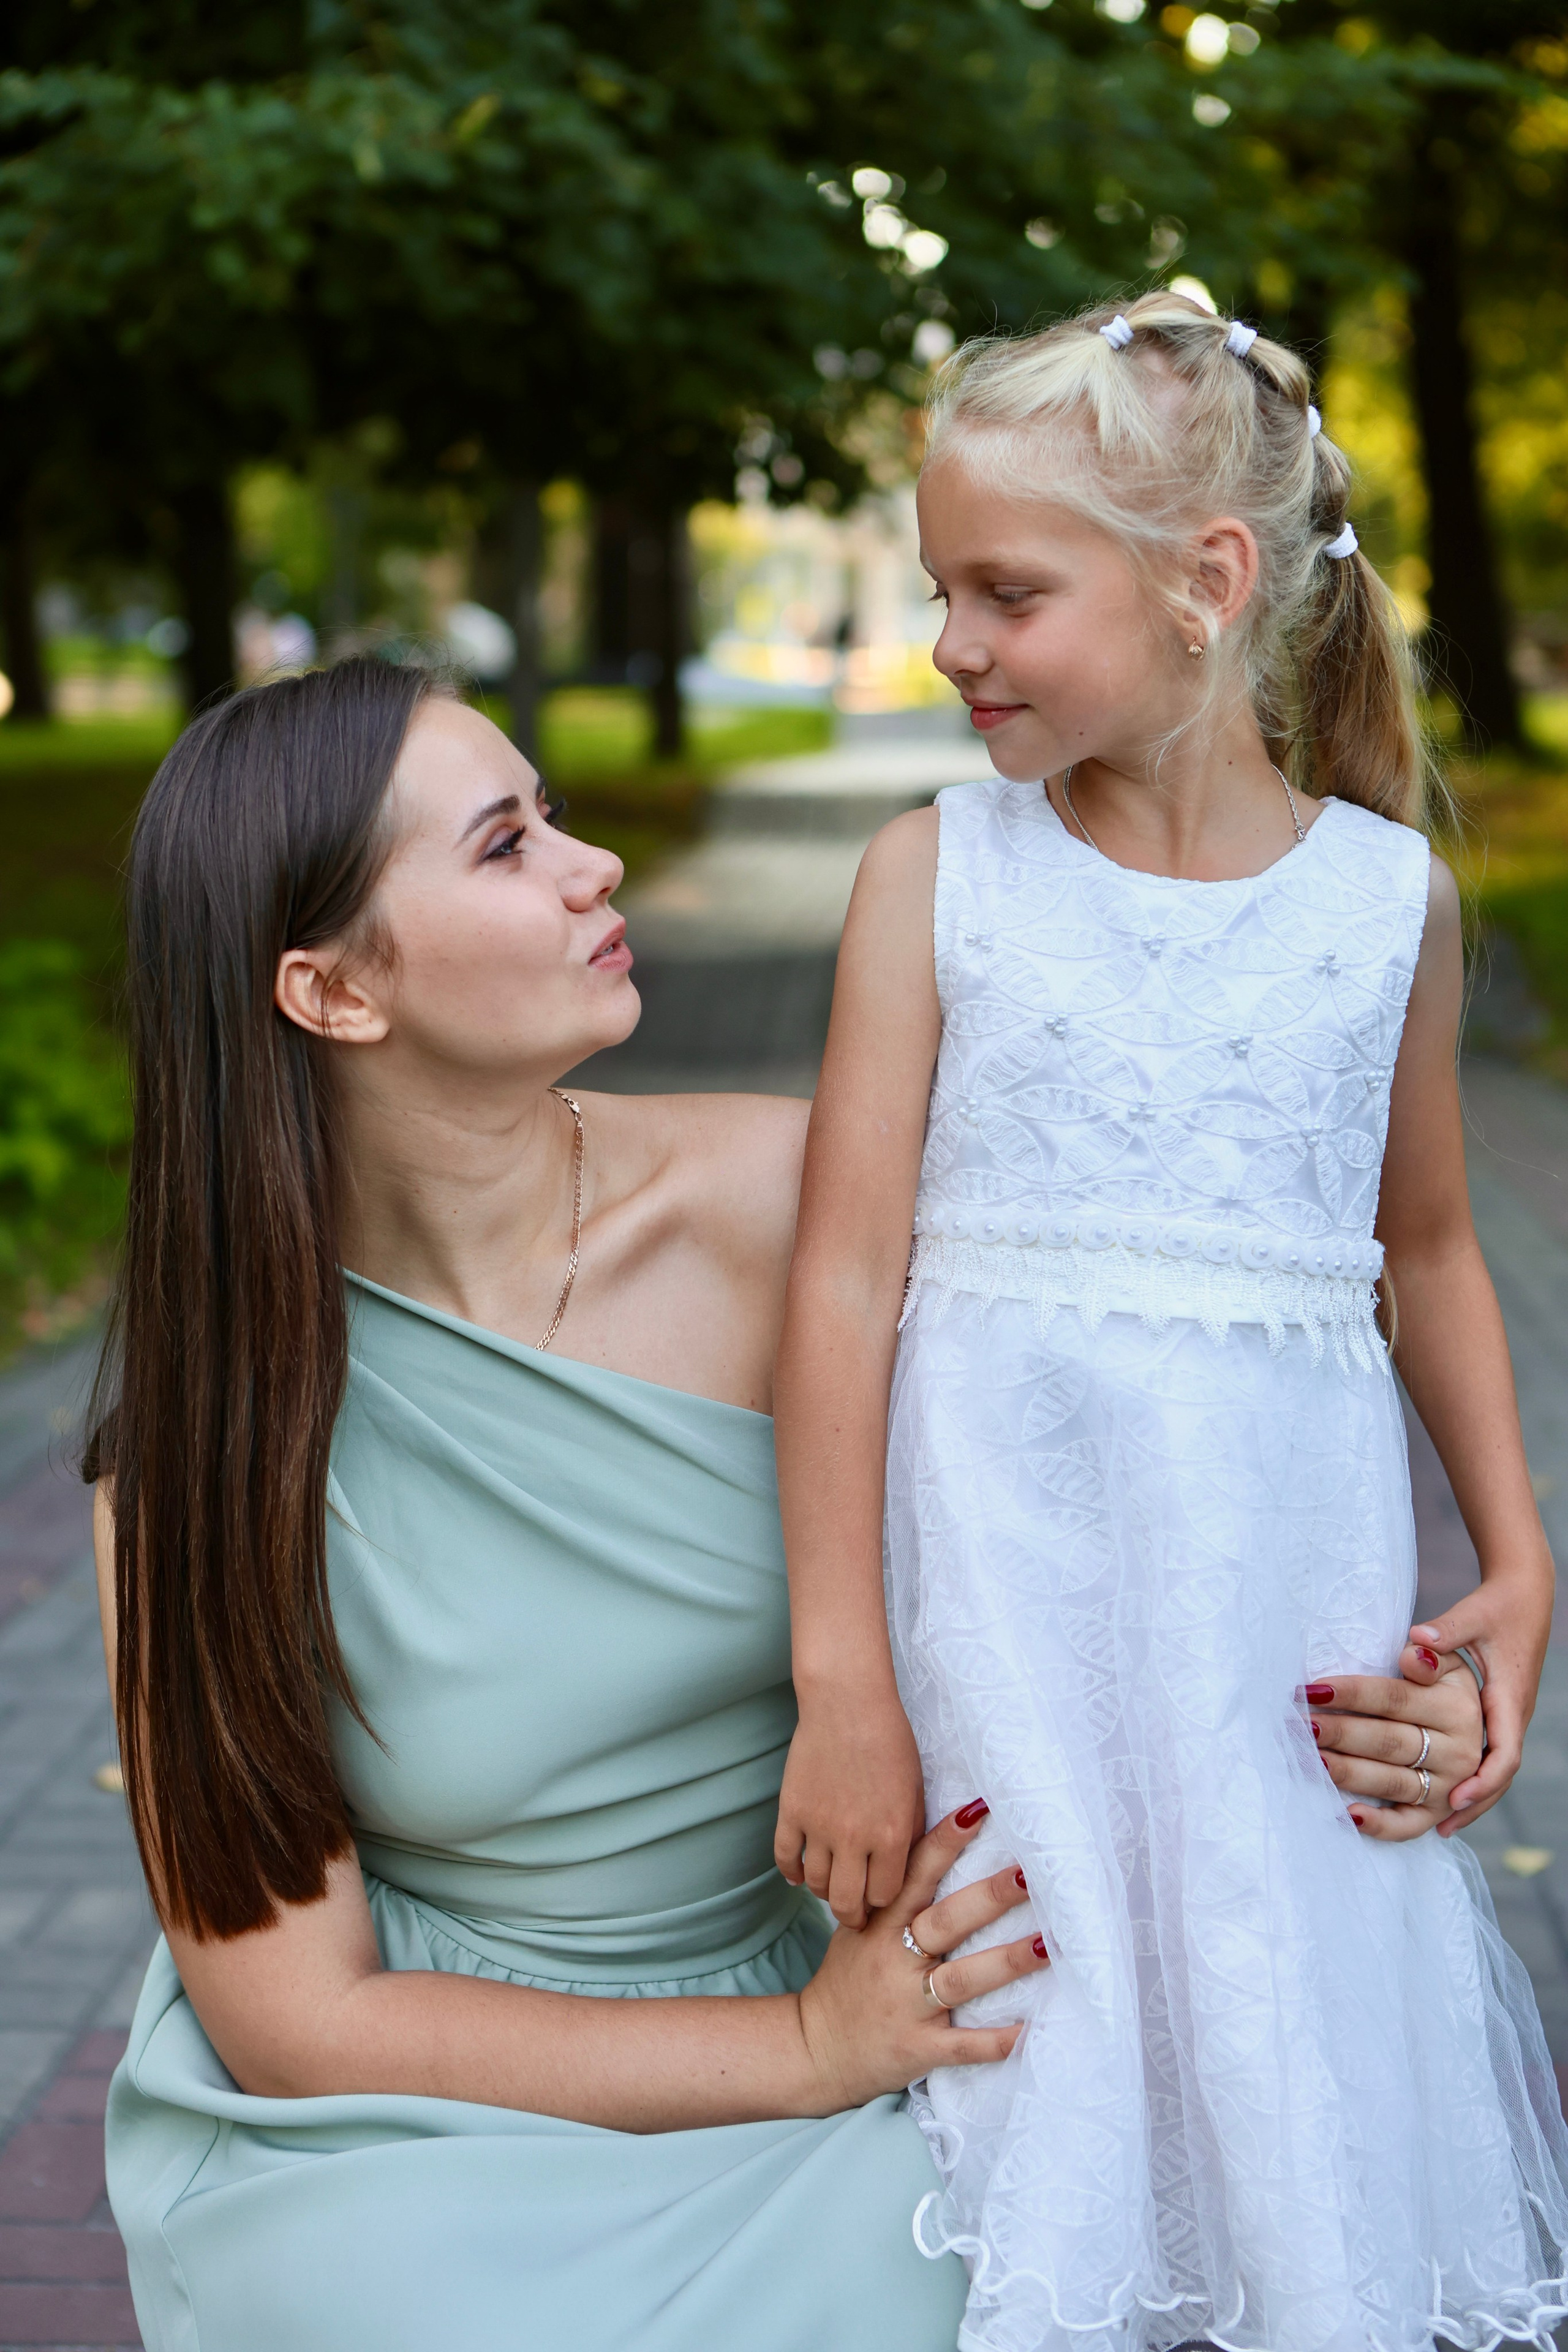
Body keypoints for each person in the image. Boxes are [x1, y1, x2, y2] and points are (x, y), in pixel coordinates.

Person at [86, 658, 1484, 2352]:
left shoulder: (799, 1213)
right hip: (426, 2093)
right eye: (507, 844)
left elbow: (1158, 1489)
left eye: (560, 815)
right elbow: (300, 2018)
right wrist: (805, 2052)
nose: (592, 864)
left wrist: (1380, 1685)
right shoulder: (200, 1435)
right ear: (334, 992)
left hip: (837, 2002)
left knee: (959, 2279)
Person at [772, 292, 1568, 2352]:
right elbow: (843, 1282)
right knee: (1047, 2065)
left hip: (1275, 1617)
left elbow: (1434, 1251)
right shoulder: (933, 878)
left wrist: (1521, 1552)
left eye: (1006, 592)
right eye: (943, 587)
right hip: (1009, 1625)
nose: (952, 642)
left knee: (1273, 2037)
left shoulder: (1385, 904)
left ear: (1208, 584)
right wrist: (840, 1672)